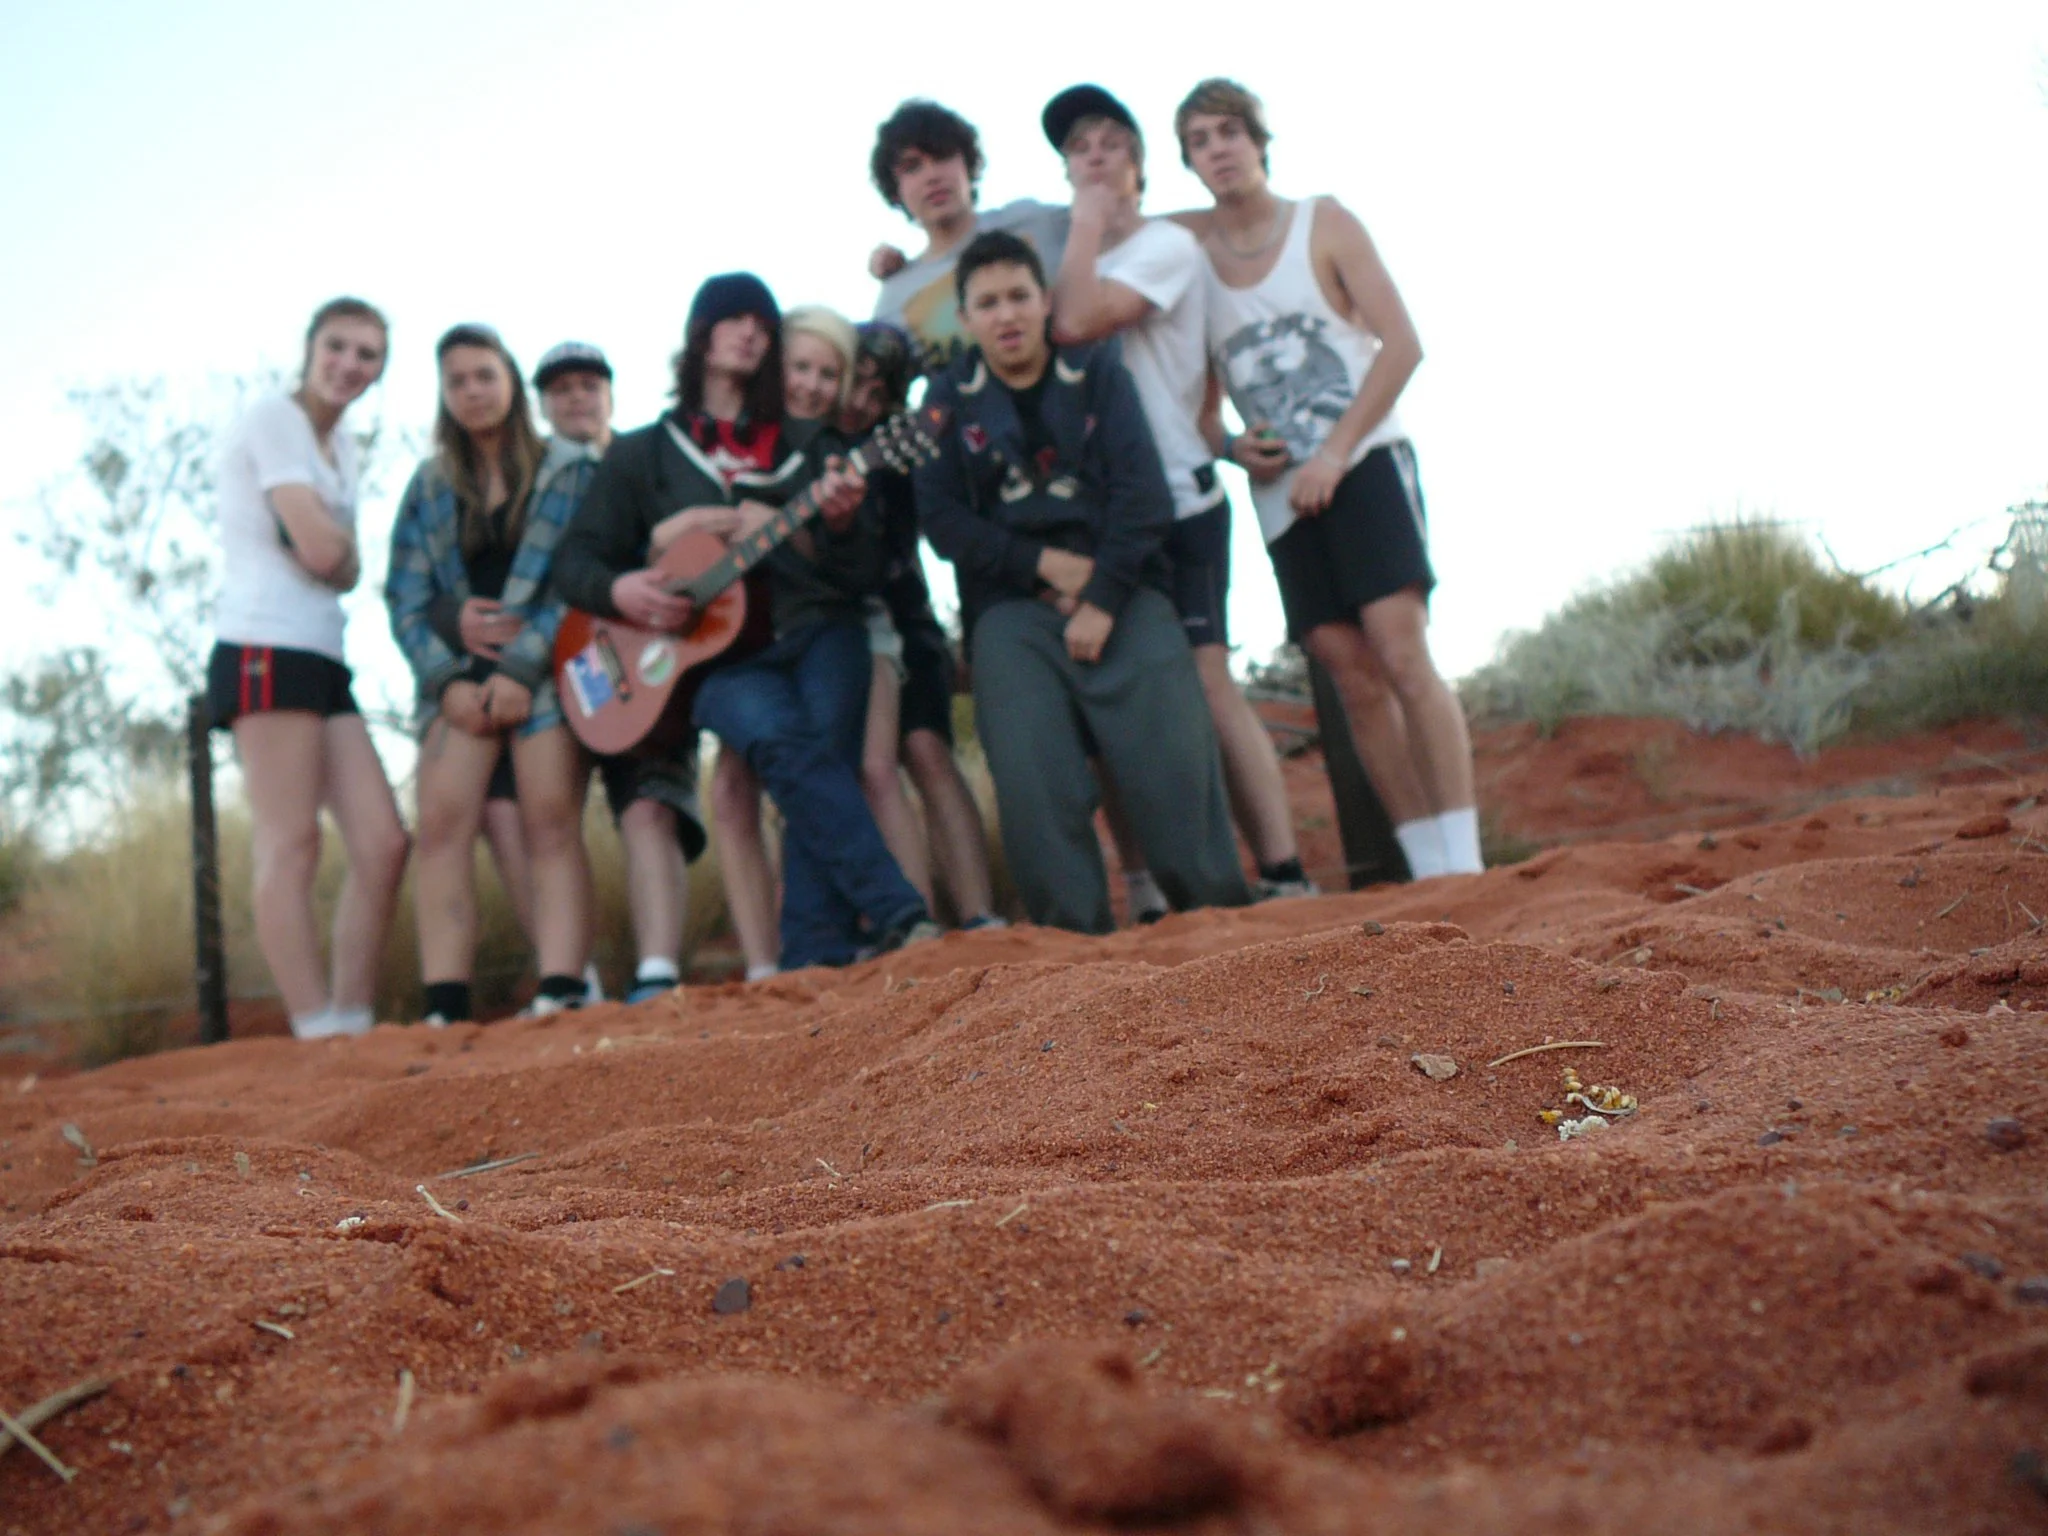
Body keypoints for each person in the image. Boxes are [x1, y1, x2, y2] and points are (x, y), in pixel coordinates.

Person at [551, 273, 936, 972]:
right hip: (714, 661)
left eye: (762, 322)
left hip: (821, 629)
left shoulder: (810, 445)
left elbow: (862, 573)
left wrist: (842, 524)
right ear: (700, 336)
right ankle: (900, 912)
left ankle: (815, 951)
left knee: (825, 759)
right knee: (788, 747)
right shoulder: (643, 453)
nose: (749, 331)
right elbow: (574, 563)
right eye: (732, 318)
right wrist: (627, 587)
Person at [1175, 78, 1483, 879]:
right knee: (1348, 672)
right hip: (1282, 497)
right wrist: (1236, 448)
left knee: (1400, 647)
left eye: (1230, 131)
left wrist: (1335, 453)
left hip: (1364, 458)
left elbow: (1403, 344)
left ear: (1260, 140)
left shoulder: (1325, 221)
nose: (1220, 149)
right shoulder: (1193, 264)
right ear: (1189, 160)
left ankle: (1469, 861)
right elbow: (1205, 414)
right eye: (1201, 139)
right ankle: (1426, 867)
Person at [915, 231, 1248, 932]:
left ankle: (1221, 923)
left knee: (1173, 763)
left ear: (1043, 303)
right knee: (1033, 776)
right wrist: (1039, 566)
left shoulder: (1098, 373)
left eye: (1018, 297)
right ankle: (1072, 948)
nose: (1005, 315)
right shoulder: (945, 399)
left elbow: (1143, 497)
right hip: (1012, 610)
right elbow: (942, 520)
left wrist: (1098, 598)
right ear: (966, 319)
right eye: (987, 303)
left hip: (1122, 590)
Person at [1043, 83, 1315, 909]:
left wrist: (1085, 220)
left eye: (1110, 144)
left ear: (1138, 162)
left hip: (1182, 500)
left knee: (1207, 679)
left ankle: (1282, 868)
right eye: (1078, 148)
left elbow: (1076, 321)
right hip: (1099, 514)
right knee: (1110, 695)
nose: (1094, 158)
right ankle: (1147, 886)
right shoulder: (1070, 251)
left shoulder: (1164, 247)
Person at [206, 297, 410, 1040]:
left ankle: (349, 1020)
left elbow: (341, 563)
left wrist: (332, 550)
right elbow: (329, 554)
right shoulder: (273, 419)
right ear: (310, 346)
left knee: (385, 841)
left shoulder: (344, 444)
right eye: (339, 346)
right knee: (291, 842)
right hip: (263, 646)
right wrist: (332, 551)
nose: (350, 365)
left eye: (368, 356)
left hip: (326, 654)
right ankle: (313, 1029)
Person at [386, 324, 596, 1024]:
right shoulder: (430, 485)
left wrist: (522, 665)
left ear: (509, 379)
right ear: (445, 396)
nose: (473, 392)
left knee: (550, 819)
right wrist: (445, 679)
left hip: (544, 670)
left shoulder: (569, 468)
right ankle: (445, 1001)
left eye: (484, 375)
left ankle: (564, 986)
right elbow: (406, 596)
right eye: (457, 382)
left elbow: (578, 580)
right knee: (442, 824)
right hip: (459, 684)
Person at [842, 321, 1002, 930]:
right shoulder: (808, 443)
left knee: (926, 748)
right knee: (861, 767)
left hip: (907, 617)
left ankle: (979, 913)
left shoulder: (909, 448)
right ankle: (910, 921)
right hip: (834, 627)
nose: (861, 401)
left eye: (878, 393)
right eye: (856, 383)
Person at [869, 99, 1068, 374]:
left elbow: (1119, 221)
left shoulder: (1035, 223)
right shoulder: (897, 299)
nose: (932, 176)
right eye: (912, 167)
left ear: (968, 163)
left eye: (942, 157)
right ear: (895, 191)